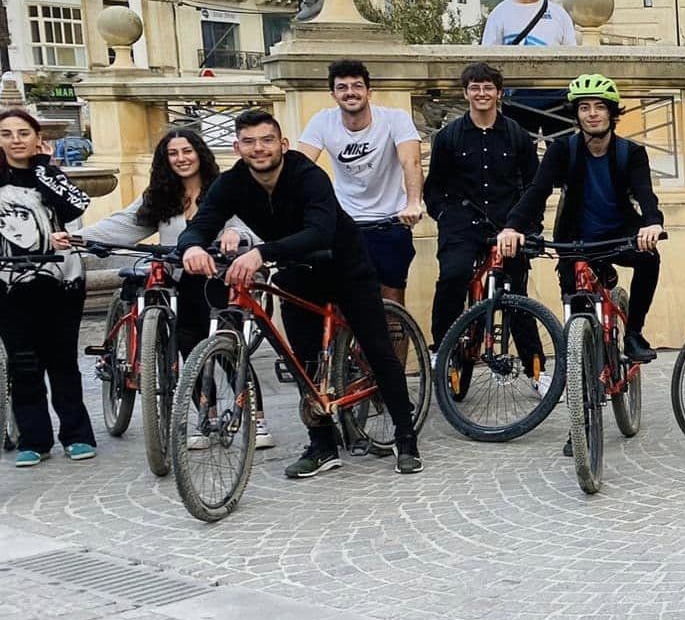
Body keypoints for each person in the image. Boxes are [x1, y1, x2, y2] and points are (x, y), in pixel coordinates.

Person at [179, 110, 422, 477]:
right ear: (237, 147)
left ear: (283, 144)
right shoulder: (232, 184)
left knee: (378, 347)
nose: (258, 149)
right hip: (295, 273)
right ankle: (322, 445)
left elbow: (320, 231)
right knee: (302, 362)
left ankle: (405, 439)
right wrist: (192, 247)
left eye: (266, 140)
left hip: (345, 266)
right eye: (249, 142)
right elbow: (202, 222)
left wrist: (262, 252)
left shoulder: (308, 175)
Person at [82, 128, 268, 447]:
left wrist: (236, 236)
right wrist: (79, 239)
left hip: (221, 277)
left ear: (200, 153)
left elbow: (248, 225)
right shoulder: (160, 196)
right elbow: (122, 224)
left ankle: (256, 418)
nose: (181, 159)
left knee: (228, 347)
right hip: (182, 281)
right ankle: (206, 418)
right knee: (187, 346)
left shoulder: (225, 189)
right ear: (165, 160)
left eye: (187, 151)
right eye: (173, 153)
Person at [498, 75, 665, 366]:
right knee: (576, 306)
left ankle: (634, 333)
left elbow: (645, 194)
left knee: (649, 259)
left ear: (612, 112)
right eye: (584, 107)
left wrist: (652, 223)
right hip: (575, 239)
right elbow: (536, 192)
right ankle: (581, 367)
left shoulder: (631, 153)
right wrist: (512, 227)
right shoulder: (562, 151)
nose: (592, 114)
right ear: (575, 114)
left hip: (619, 235)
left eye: (599, 107)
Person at [0, 108, 93, 467]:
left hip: (60, 281)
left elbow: (76, 205)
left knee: (62, 359)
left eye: (23, 133)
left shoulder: (49, 174)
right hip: (8, 285)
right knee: (24, 363)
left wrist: (42, 168)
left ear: (37, 138)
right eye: (6, 134)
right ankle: (34, 438)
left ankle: (77, 434)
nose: (15, 140)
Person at [423, 62, 539, 348]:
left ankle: (535, 370)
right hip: (461, 223)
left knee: (517, 293)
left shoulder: (517, 135)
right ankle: (443, 351)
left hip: (506, 224)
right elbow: (434, 186)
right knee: (453, 277)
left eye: (488, 87)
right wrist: (444, 216)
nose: (481, 93)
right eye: (475, 88)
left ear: (499, 93)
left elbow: (535, 185)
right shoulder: (449, 137)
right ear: (465, 93)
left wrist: (526, 225)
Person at [297, 59, 425, 306]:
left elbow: (412, 163)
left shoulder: (394, 118)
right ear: (333, 94)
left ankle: (391, 344)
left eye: (357, 86)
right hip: (346, 223)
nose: (350, 92)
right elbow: (301, 168)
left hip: (390, 221)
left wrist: (413, 203)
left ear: (369, 91)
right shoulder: (323, 121)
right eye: (342, 87)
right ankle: (342, 346)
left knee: (392, 304)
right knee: (341, 302)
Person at [482, 0, 577, 137]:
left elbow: (571, 54)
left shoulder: (558, 13)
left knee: (564, 154)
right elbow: (488, 56)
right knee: (518, 154)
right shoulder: (500, 13)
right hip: (517, 99)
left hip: (557, 98)